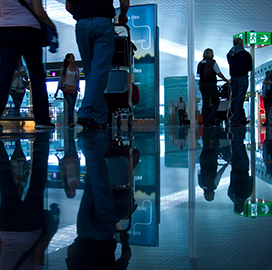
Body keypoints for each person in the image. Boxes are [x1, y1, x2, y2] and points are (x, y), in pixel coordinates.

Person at [65, 0, 130, 129]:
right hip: (103, 23)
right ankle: (85, 111)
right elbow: (124, 2)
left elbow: (69, 6)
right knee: (99, 70)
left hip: (82, 24)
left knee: (91, 73)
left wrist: (82, 13)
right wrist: (123, 14)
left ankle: (100, 115)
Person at [0, 0, 57, 129]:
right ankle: (42, 120)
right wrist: (52, 26)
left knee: (4, 76)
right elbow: (39, 12)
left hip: (5, 30)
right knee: (36, 76)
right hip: (29, 31)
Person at [197, 48, 229, 127]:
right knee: (215, 101)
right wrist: (225, 79)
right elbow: (218, 73)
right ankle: (212, 119)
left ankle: (205, 120)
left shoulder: (200, 63)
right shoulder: (212, 62)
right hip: (211, 84)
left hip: (202, 84)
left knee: (205, 102)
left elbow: (198, 75)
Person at [227, 38, 252, 127]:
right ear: (241, 43)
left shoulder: (230, 54)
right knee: (240, 99)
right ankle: (235, 119)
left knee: (237, 98)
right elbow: (250, 67)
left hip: (233, 78)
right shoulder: (245, 54)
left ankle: (242, 119)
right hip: (243, 78)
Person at [55, 53, 80, 127]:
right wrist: (57, 90)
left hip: (74, 88)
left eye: (74, 58)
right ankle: (70, 121)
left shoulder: (76, 69)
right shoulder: (65, 68)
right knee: (71, 103)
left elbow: (77, 79)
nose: (73, 59)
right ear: (68, 59)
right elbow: (61, 79)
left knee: (72, 105)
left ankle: (71, 121)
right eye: (72, 58)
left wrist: (77, 87)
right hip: (66, 89)